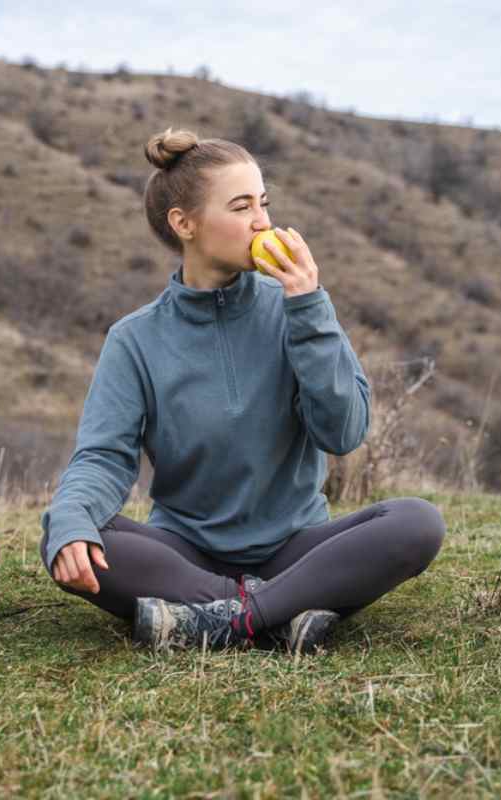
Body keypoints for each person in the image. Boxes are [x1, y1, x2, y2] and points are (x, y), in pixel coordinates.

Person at [39, 128, 445, 653]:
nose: (263, 221)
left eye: (264, 203)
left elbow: (343, 433)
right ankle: (280, 612)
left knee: (416, 522)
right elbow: (102, 458)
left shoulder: (298, 309)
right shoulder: (134, 339)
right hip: (184, 553)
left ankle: (224, 622)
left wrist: (309, 308)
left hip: (296, 547)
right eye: (241, 206)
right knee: (66, 535)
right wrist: (73, 525)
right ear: (184, 223)